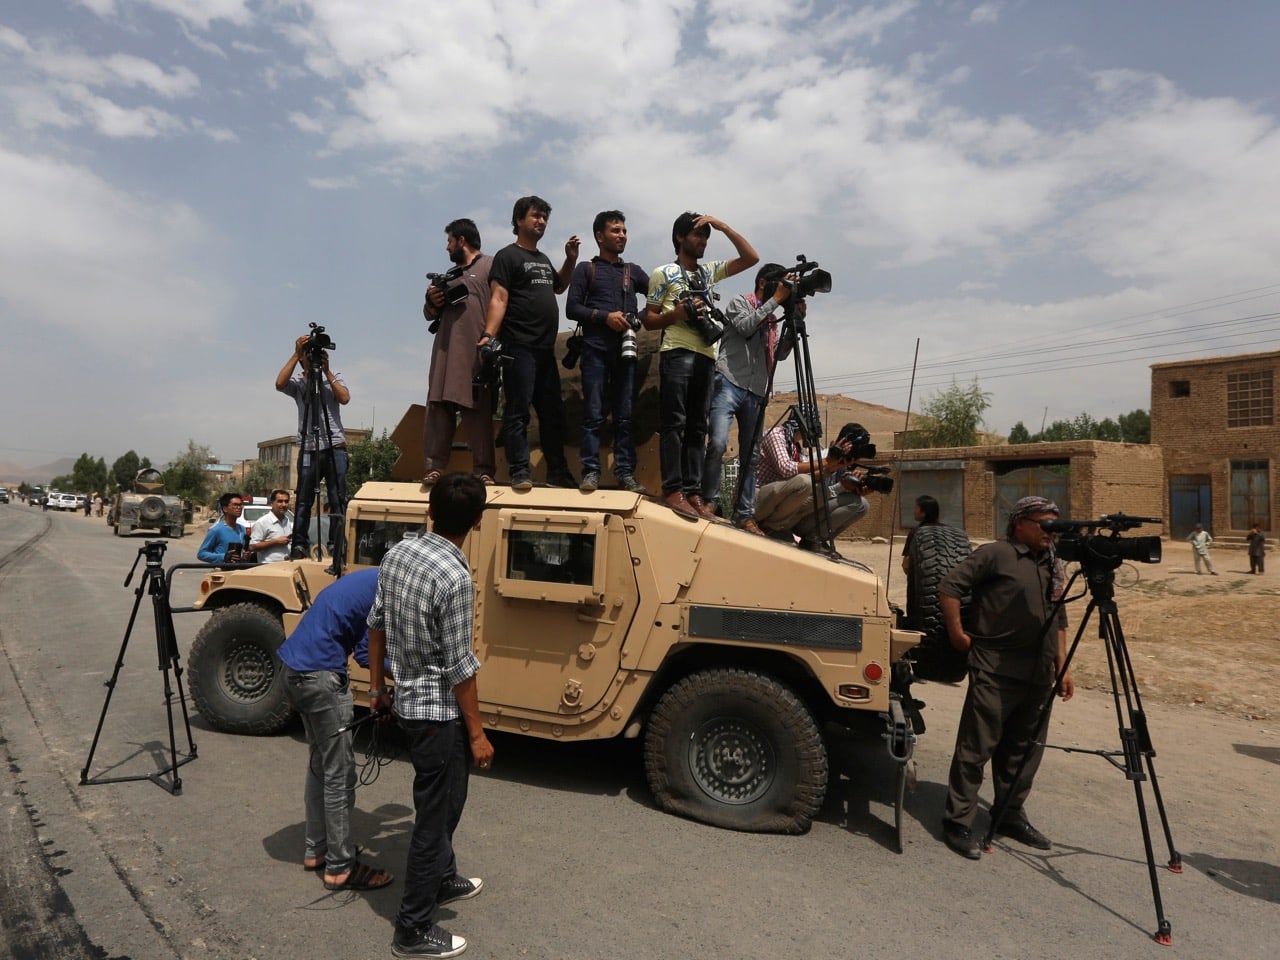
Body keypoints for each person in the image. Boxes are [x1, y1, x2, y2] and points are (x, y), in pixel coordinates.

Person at [367, 473, 494, 959]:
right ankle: (413, 930)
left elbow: (375, 622)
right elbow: (461, 667)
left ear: (430, 512)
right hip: (436, 712)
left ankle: (442, 877)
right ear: (478, 523)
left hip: (408, 702)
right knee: (433, 818)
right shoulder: (456, 577)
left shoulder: (399, 552)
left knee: (451, 795)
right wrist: (479, 734)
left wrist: (377, 687)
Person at [938, 495, 1074, 860]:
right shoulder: (996, 554)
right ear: (1020, 523)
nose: (1050, 531)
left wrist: (1062, 666)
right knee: (976, 748)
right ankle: (958, 821)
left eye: (1054, 524)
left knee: (1024, 752)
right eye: (1044, 524)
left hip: (1039, 673)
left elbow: (1059, 617)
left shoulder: (1053, 563)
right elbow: (950, 587)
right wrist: (957, 634)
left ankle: (1010, 814)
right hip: (996, 668)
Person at [277, 567, 393, 893]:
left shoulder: (367, 579)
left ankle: (317, 849)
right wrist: (405, 674)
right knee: (339, 775)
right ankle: (341, 866)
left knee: (320, 765)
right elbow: (364, 653)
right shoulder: (386, 589)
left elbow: (362, 644)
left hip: (293, 670)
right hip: (321, 677)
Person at [644, 212, 758, 519]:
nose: (703, 241)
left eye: (707, 236)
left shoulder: (707, 273)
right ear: (680, 238)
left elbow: (751, 258)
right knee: (675, 423)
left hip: (707, 355)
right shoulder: (663, 273)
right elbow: (649, 319)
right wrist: (677, 315)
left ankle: (693, 493)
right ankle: (673, 489)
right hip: (677, 351)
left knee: (698, 426)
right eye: (698, 235)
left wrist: (723, 226)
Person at [479, 196, 579, 491]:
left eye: (545, 217)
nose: (542, 221)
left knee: (552, 414)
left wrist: (570, 260)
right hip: (518, 346)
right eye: (536, 216)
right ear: (519, 220)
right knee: (518, 411)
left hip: (544, 350)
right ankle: (520, 471)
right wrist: (488, 335)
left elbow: (558, 286)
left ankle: (557, 472)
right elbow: (499, 297)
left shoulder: (543, 260)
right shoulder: (507, 256)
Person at [701, 263, 795, 533]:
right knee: (717, 442)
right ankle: (710, 500)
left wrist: (792, 325)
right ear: (764, 283)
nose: (781, 292)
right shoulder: (741, 302)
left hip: (756, 389)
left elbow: (778, 354)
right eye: (778, 287)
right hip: (729, 380)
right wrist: (776, 301)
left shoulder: (774, 317)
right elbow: (745, 326)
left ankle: (744, 514)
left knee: (750, 457)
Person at [564, 210, 649, 494]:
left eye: (624, 230)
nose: (622, 235)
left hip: (626, 352)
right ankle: (591, 471)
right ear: (600, 236)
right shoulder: (586, 269)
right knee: (593, 414)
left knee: (625, 416)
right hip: (595, 351)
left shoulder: (633, 271)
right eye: (615, 230)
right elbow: (572, 308)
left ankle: (625, 473)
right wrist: (604, 316)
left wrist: (641, 316)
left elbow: (661, 296)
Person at [423, 218, 496, 487]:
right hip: (444, 350)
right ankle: (434, 467)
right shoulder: (449, 275)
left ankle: (484, 470)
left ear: (461, 240)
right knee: (439, 406)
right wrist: (432, 300)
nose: (447, 247)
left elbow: (502, 301)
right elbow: (428, 313)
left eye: (449, 241)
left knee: (477, 407)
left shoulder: (490, 266)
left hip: (477, 350)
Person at [276, 334, 350, 559]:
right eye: (309, 356)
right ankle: (300, 544)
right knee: (304, 498)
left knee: (338, 498)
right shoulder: (299, 382)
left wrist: (326, 372)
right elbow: (279, 383)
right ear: (302, 360)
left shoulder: (333, 376)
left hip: (335, 445)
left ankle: (335, 544)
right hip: (309, 447)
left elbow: (345, 398)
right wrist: (296, 354)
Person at [752, 415, 871, 548]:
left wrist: (835, 471)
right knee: (807, 483)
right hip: (761, 499)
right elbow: (788, 471)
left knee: (862, 505)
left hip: (786, 506)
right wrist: (828, 464)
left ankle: (817, 538)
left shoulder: (796, 448)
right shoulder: (777, 435)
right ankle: (772, 527)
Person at [198, 492, 247, 564]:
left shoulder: (242, 529)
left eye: (240, 505)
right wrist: (224, 557)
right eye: (235, 505)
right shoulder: (216, 530)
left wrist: (245, 556)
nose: (239, 508)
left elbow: (243, 552)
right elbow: (201, 554)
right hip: (221, 572)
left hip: (238, 572)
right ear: (225, 509)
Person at [248, 489, 294, 564]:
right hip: (268, 568)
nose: (284, 504)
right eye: (280, 501)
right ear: (271, 503)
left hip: (286, 566)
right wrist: (275, 542)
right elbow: (252, 547)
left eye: (286, 501)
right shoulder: (262, 522)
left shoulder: (287, 520)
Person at [901, 494, 941, 575]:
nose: (914, 511)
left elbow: (906, 565)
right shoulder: (947, 532)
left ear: (923, 513)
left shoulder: (916, 532)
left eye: (916, 508)